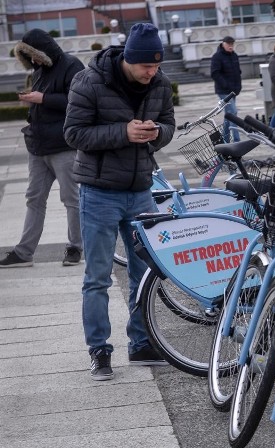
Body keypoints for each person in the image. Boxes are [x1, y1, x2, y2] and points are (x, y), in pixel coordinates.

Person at [64, 22, 176, 381]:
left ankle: (141, 343)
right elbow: (73, 133)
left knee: (146, 273)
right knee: (97, 276)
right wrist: (124, 132)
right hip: (98, 192)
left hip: (141, 187)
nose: (152, 72)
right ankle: (99, 350)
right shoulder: (90, 81)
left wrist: (157, 134)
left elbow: (170, 125)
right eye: (146, 66)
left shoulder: (159, 83)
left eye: (157, 65)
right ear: (129, 59)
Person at [0, 29, 84, 269]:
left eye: (34, 55)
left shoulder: (71, 64)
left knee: (71, 198)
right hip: (37, 145)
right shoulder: (39, 70)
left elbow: (81, 100)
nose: (33, 61)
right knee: (34, 198)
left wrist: (43, 99)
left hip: (63, 145)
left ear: (44, 51)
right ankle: (24, 253)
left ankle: (75, 247)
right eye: (28, 56)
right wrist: (32, 100)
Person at [210, 36, 242, 142]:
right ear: (223, 44)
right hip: (223, 91)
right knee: (233, 113)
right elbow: (215, 73)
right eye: (228, 43)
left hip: (233, 91)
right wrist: (226, 85)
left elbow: (238, 72)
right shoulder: (217, 57)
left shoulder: (234, 56)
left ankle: (225, 140)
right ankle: (237, 141)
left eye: (232, 43)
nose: (230, 45)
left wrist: (238, 87)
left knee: (228, 116)